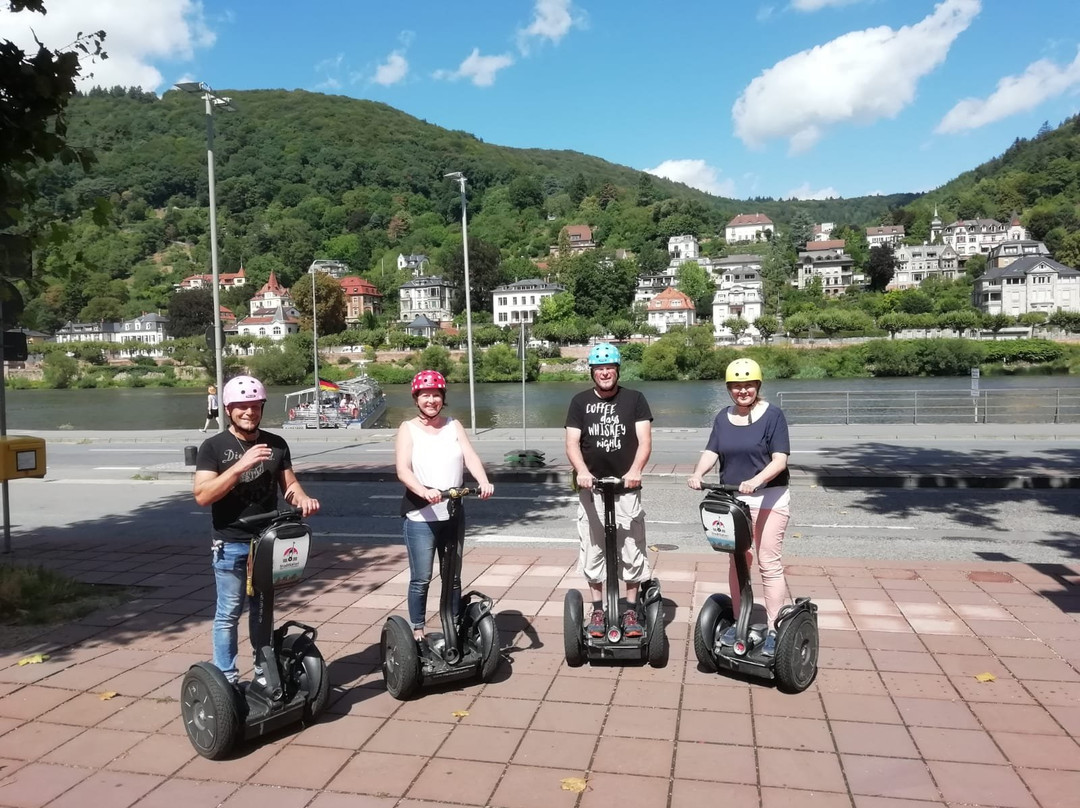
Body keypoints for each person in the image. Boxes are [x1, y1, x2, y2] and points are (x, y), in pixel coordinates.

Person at [193, 374, 320, 684]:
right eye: (241, 407)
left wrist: (303, 499)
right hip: (231, 542)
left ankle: (265, 673)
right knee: (229, 613)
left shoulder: (276, 444)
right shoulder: (213, 446)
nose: (249, 413)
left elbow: (290, 486)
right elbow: (202, 496)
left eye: (255, 406)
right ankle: (227, 678)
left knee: (263, 610)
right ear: (228, 409)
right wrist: (240, 466)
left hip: (267, 542)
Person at [687, 357, 791, 656]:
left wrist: (756, 480)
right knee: (737, 561)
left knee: (768, 562)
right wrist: (698, 473)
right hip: (734, 500)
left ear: (757, 386)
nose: (742, 391)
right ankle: (739, 619)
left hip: (769, 497)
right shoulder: (722, 417)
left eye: (747, 386)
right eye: (736, 386)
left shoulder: (773, 416)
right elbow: (712, 450)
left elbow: (780, 460)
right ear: (729, 389)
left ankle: (774, 627)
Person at [395, 370, 494, 641]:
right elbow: (403, 470)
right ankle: (418, 630)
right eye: (425, 395)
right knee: (422, 578)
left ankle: (451, 626)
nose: (431, 400)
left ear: (443, 398)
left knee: (452, 577)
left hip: (453, 512)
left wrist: (483, 481)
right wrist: (424, 491)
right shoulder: (408, 428)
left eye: (436, 395)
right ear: (417, 399)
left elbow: (470, 457)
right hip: (421, 517)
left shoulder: (454, 425)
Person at [565, 342, 653, 638]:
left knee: (631, 548)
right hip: (593, 490)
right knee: (593, 549)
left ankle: (631, 609)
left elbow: (644, 440)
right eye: (600, 368)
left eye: (610, 368)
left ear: (617, 370)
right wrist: (583, 472)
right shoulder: (579, 402)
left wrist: (635, 470)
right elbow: (572, 443)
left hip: (626, 489)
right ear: (592, 371)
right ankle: (598, 608)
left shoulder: (635, 399)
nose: (605, 373)